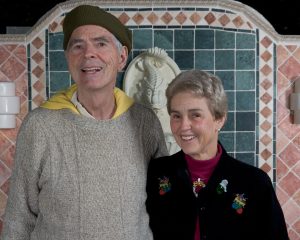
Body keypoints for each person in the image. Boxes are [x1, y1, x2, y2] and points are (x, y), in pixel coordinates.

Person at [1, 5, 168, 240]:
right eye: (77, 46)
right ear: (69, 59)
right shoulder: (40, 126)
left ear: (121, 57)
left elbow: (164, 204)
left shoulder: (144, 123)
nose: (88, 53)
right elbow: (19, 218)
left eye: (101, 43)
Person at [146, 69, 289, 240]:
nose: (183, 126)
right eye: (176, 116)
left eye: (195, 115)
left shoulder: (255, 184)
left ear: (219, 119)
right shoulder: (156, 173)